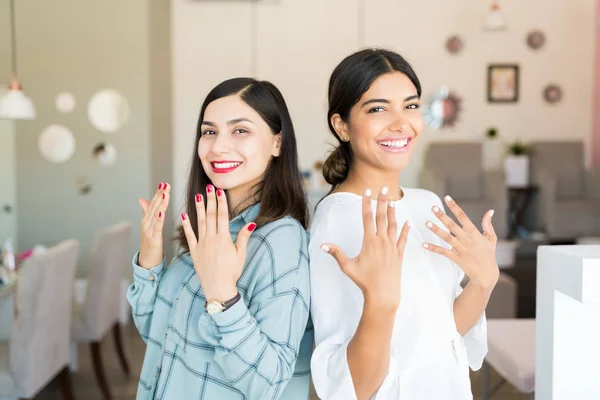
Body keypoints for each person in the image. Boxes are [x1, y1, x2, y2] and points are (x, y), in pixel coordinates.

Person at [309, 49, 499, 400]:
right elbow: (352, 388)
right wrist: (380, 303)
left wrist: (484, 281)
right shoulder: (338, 220)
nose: (401, 123)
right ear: (341, 125)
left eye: (410, 106)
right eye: (378, 109)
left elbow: (445, 330)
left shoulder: (425, 202)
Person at [127, 77, 313, 400]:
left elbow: (268, 383)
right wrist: (150, 258)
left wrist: (223, 297)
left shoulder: (280, 241)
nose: (218, 146)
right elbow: (156, 334)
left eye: (240, 130)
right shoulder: (211, 228)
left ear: (277, 143)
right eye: (209, 131)